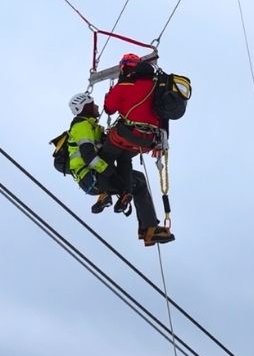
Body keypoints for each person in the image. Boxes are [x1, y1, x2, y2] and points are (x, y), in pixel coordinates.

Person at [66, 91, 174, 246]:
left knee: (138, 180)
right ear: (85, 108)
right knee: (136, 181)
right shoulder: (82, 126)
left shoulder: (90, 126)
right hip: (91, 176)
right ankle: (148, 229)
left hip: (94, 175)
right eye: (92, 104)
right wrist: (112, 175)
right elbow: (89, 156)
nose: (96, 106)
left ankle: (145, 227)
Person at [102, 54, 175, 245]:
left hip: (125, 134)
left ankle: (106, 192)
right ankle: (148, 229)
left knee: (105, 154)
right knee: (127, 160)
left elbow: (109, 109)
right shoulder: (157, 86)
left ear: (125, 69)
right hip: (147, 141)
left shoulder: (124, 86)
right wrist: (161, 143)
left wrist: (111, 93)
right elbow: (164, 115)